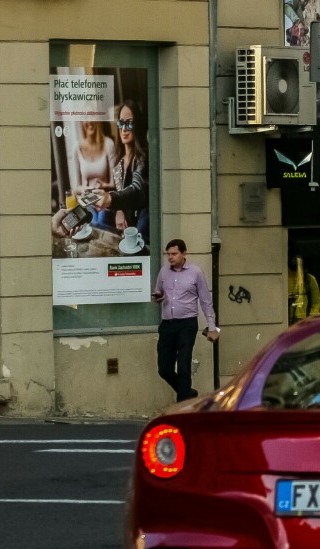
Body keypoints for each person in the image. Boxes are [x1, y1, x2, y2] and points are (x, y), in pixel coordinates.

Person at [153, 239, 219, 402]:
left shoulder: (195, 272)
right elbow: (157, 292)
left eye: (174, 254)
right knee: (164, 369)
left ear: (184, 254)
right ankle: (187, 392)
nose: (170, 257)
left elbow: (205, 300)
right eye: (168, 254)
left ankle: (183, 403)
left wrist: (212, 327)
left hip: (187, 324)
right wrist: (158, 297)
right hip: (167, 324)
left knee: (183, 365)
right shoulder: (164, 272)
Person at [95, 100, 150, 243]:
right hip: (127, 215)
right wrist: (118, 209)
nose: (124, 129)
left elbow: (136, 189)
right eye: (120, 123)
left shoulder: (143, 157)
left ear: (137, 126)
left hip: (141, 217)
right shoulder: (119, 163)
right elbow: (121, 189)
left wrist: (111, 199)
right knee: (97, 214)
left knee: (146, 215)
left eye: (129, 123)